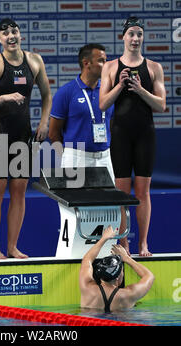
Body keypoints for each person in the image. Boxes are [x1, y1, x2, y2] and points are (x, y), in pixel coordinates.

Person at [0, 18, 52, 259]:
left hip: (23, 135)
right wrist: (5, 97)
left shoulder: (34, 61)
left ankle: (12, 247)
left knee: (19, 191)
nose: (11, 36)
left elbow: (47, 95)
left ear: (20, 34)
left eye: (14, 31)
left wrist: (44, 122)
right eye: (5, 33)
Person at [99, 17, 166, 256]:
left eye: (139, 34)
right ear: (123, 37)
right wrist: (120, 86)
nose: (135, 38)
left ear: (143, 37)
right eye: (131, 34)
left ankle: (143, 243)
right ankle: (124, 242)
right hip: (121, 134)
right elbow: (103, 104)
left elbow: (161, 105)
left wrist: (140, 90)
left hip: (144, 133)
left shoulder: (154, 68)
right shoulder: (110, 67)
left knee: (143, 191)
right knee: (122, 192)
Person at [49, 44, 115, 182]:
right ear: (86, 63)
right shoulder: (66, 92)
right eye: (101, 61)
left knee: (107, 203)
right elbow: (53, 133)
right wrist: (69, 156)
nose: (106, 65)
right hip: (76, 159)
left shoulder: (109, 91)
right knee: (74, 204)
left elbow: (112, 125)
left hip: (105, 159)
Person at [79, 225, 154, 312]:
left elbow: (87, 260)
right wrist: (126, 258)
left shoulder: (87, 288)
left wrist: (104, 238)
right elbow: (149, 276)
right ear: (118, 277)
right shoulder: (128, 295)